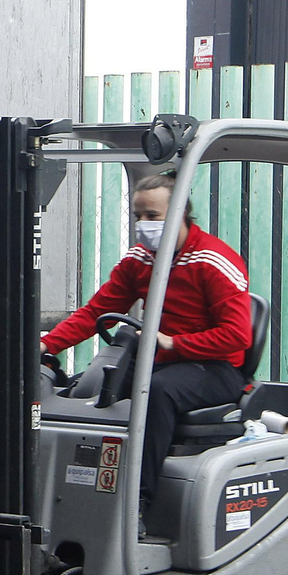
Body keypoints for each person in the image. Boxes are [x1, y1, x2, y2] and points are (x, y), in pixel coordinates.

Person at [42, 174, 251, 532]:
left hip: (214, 367)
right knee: (96, 394)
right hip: (160, 361)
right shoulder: (140, 259)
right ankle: (74, 495)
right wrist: (46, 346)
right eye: (138, 215)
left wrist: (175, 343)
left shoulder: (213, 261)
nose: (143, 225)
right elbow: (95, 312)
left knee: (155, 392)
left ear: (181, 213)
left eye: (152, 216)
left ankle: (136, 504)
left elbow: (236, 336)